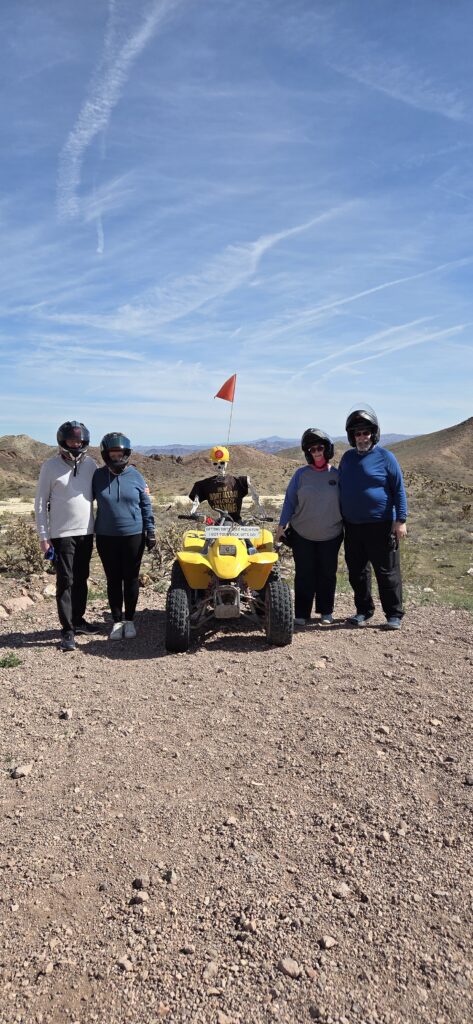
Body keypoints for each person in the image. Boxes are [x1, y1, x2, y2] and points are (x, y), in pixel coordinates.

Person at [338, 404, 408, 630]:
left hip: (382, 525)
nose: (362, 437)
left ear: (373, 434)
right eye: (357, 433)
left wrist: (401, 520)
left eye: (366, 432)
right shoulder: (347, 458)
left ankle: (394, 614)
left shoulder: (386, 457)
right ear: (352, 436)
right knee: (357, 573)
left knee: (387, 572)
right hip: (353, 526)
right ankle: (363, 611)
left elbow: (398, 489)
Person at [35, 420, 96, 652]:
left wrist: (141, 490)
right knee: (65, 581)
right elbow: (40, 502)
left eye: (79, 440)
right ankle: (67, 630)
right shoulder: (49, 466)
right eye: (72, 440)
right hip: (61, 534)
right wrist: (43, 535)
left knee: (81, 578)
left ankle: (79, 620)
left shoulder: (91, 464)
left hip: (87, 532)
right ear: (63, 441)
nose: (76, 443)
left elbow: (105, 486)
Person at [276, 428, 343, 627]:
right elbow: (289, 501)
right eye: (312, 449)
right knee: (304, 573)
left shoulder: (337, 475)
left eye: (320, 448)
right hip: (302, 534)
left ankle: (326, 611)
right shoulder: (300, 475)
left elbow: (347, 502)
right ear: (308, 452)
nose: (317, 452)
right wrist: (281, 525)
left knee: (327, 573)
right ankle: (302, 613)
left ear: (327, 449)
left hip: (331, 534)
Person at [93, 432, 156, 640]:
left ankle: (130, 620)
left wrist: (151, 531)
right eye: (112, 453)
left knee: (130, 579)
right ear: (106, 454)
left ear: (126, 453)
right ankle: (117, 621)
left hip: (133, 535)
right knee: (113, 579)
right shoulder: (98, 476)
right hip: (105, 536)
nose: (116, 457)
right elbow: (80, 498)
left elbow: (146, 505)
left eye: (120, 453)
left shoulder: (136, 476)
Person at [189, 445, 264, 522]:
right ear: (212, 464)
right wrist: (193, 511)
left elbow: (255, 496)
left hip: (236, 521)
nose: (219, 466)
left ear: (227, 462)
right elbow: (197, 498)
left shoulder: (238, 481)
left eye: (222, 463)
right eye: (215, 464)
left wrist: (262, 512)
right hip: (218, 522)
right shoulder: (206, 484)